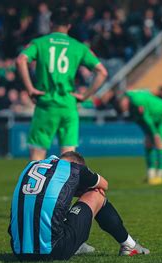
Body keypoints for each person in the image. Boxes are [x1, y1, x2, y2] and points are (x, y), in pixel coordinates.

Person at [8, 151, 150, 261]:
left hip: (18, 251)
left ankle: (74, 245)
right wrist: (84, 190)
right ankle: (129, 245)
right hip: (54, 250)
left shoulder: (31, 165)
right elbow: (105, 185)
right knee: (96, 193)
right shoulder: (75, 168)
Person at [17, 7, 108, 161]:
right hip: (68, 104)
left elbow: (21, 60)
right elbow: (102, 72)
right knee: (69, 156)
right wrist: (85, 96)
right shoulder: (78, 46)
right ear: (69, 26)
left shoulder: (40, 43)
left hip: (46, 103)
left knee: (38, 156)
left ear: (50, 23)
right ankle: (68, 185)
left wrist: (30, 89)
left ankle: (37, 185)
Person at [119, 89, 162, 185]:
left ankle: (159, 176)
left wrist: (154, 133)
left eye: (122, 105)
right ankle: (151, 175)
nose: (123, 108)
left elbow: (146, 118)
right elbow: (141, 122)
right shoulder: (131, 107)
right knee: (148, 142)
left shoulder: (136, 100)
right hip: (154, 118)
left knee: (159, 141)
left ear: (124, 100)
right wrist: (148, 133)